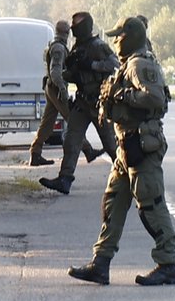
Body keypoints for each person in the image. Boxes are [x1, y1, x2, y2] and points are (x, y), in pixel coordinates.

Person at [67, 16, 175, 286]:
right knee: (113, 202)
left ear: (131, 37)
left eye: (119, 36)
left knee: (151, 204)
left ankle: (168, 265)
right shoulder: (127, 63)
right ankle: (101, 263)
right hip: (126, 148)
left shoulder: (140, 64)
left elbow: (156, 98)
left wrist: (124, 96)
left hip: (142, 145)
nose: (115, 41)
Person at [38, 12, 119, 194]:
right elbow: (73, 74)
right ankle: (65, 178)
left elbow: (115, 65)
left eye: (76, 25)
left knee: (110, 143)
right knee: (71, 140)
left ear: (85, 27)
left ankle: (129, 177)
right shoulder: (76, 48)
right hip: (82, 102)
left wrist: (92, 65)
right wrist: (69, 72)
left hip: (99, 104)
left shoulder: (98, 46)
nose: (73, 28)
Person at [29, 19, 103, 167]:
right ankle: (88, 150)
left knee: (47, 124)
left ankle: (35, 153)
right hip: (56, 88)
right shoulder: (58, 48)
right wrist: (63, 89)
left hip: (51, 87)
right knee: (74, 121)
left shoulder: (53, 45)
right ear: (66, 33)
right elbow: (55, 72)